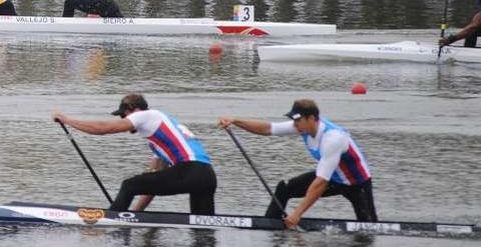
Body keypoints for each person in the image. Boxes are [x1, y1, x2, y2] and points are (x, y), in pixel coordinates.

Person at [218, 99, 377, 229]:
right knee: (284, 188)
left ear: (312, 119)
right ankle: (270, 227)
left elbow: (321, 182)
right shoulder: (302, 127)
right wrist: (235, 121)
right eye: (293, 120)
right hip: (333, 178)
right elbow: (268, 128)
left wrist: (297, 214)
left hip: (357, 183)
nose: (294, 125)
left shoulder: (333, 138)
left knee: (370, 230)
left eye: (298, 120)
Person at [54, 94, 217, 213]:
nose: (123, 119)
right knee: (202, 228)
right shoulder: (159, 142)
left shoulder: (146, 115)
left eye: (123, 115)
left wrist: (67, 120)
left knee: (129, 184)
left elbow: (104, 129)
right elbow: (152, 184)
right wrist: (135, 215)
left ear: (135, 110)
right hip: (207, 176)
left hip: (190, 170)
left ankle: (109, 222)